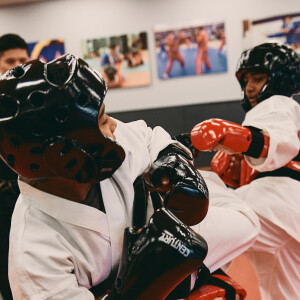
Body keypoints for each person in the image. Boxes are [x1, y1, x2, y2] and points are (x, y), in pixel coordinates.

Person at [0, 54, 259, 299]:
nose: (113, 125)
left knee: (247, 222)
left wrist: (174, 161)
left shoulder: (99, 147)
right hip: (153, 257)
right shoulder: (34, 253)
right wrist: (139, 290)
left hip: (173, 229)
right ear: (65, 154)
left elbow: (145, 136)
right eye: (102, 119)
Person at [191, 42, 300, 300]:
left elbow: (272, 140)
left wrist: (234, 136)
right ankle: (209, 273)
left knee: (205, 200)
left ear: (279, 79)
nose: (250, 87)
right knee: (285, 290)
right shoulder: (289, 112)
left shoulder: (278, 104)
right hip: (286, 216)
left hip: (277, 202)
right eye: (247, 79)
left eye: (259, 78)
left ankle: (199, 276)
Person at [0, 33, 29, 300]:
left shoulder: (36, 99)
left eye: (23, 59)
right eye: (10, 60)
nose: (17, 65)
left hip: (32, 196)